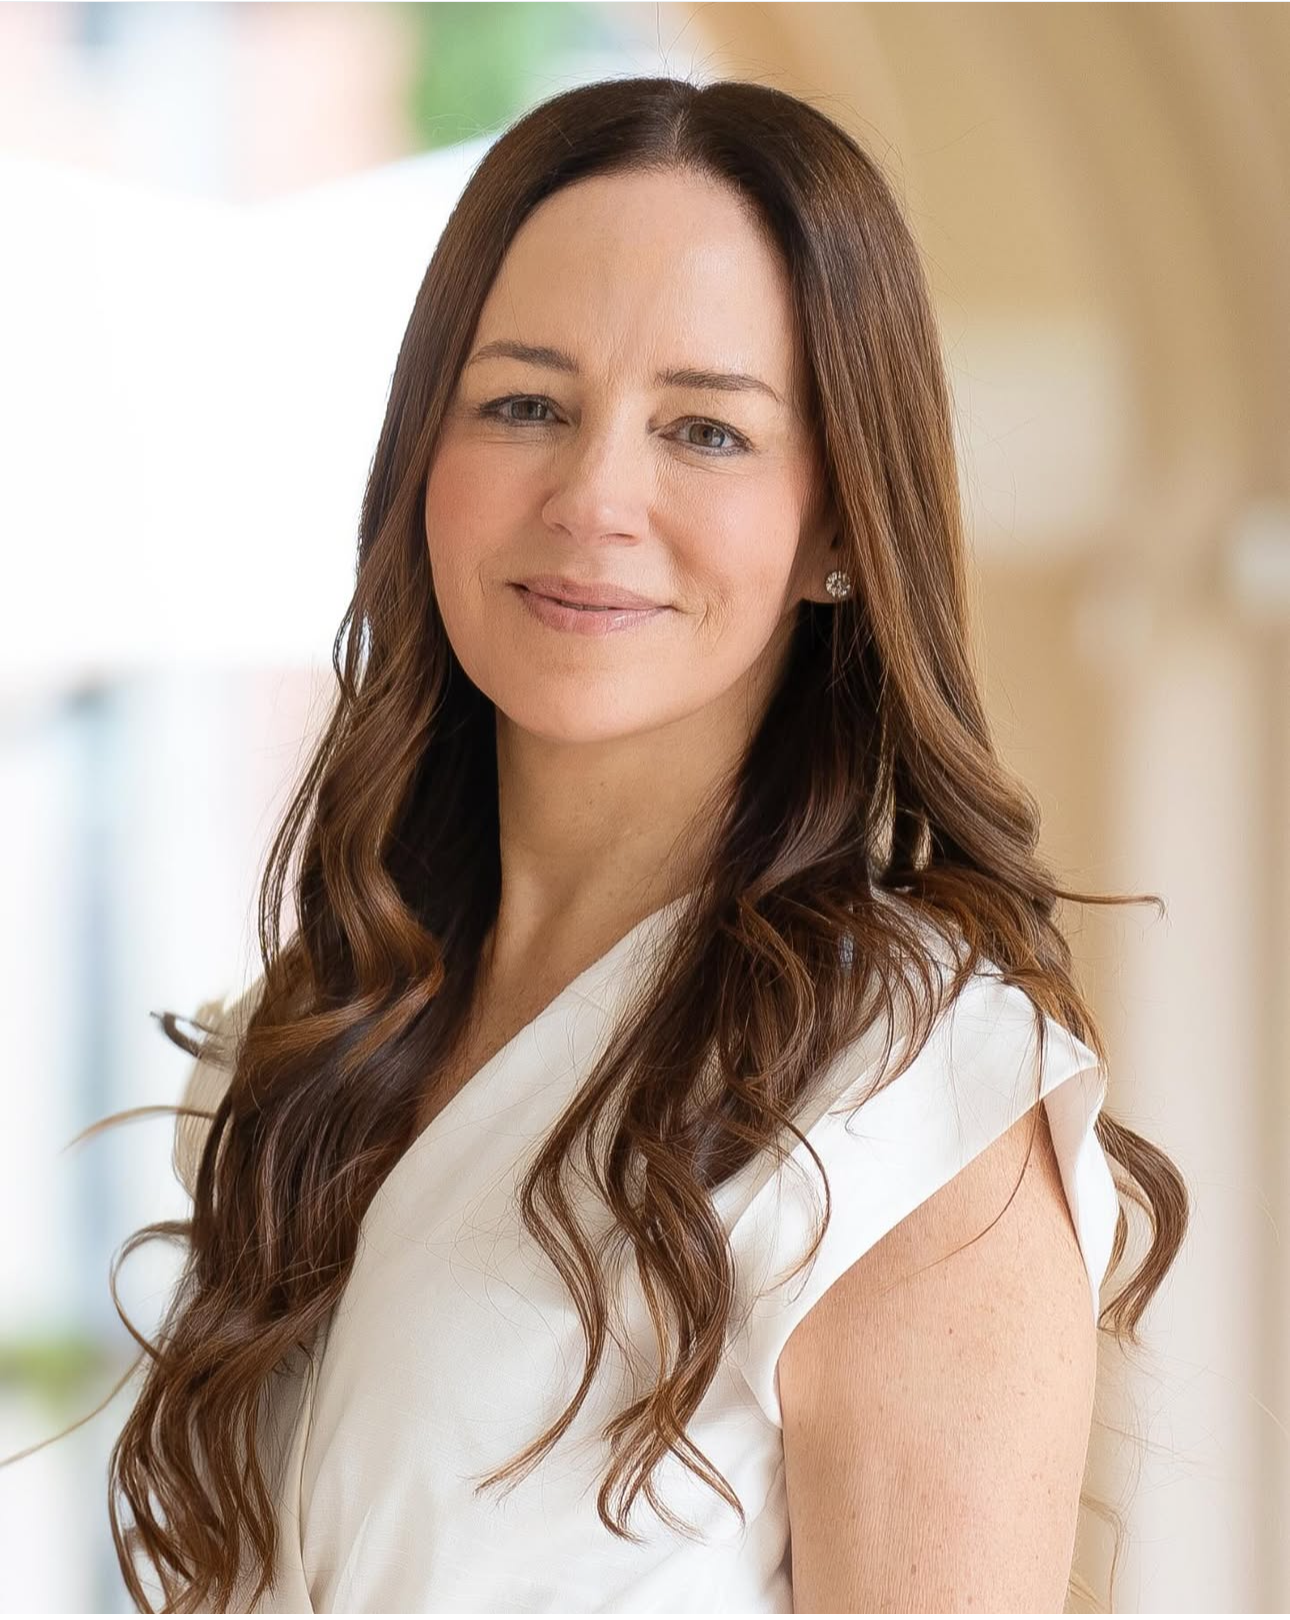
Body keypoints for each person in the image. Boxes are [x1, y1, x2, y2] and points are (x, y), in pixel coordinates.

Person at [111, 76, 1187, 1613]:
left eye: (705, 429)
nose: (594, 495)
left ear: (833, 527)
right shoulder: (316, 1043)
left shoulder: (904, 1109)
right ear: (425, 457)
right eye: (526, 404)